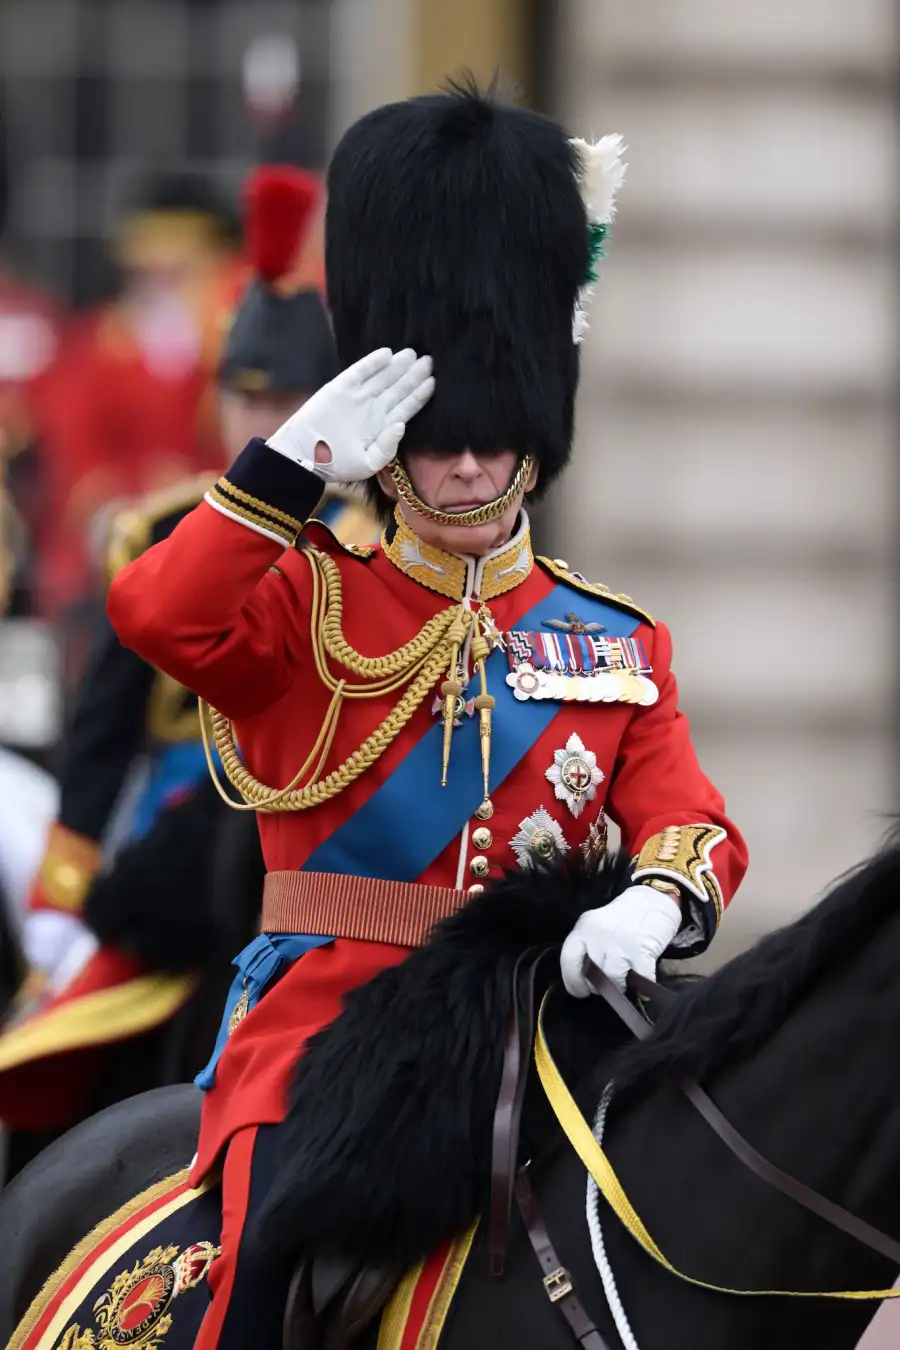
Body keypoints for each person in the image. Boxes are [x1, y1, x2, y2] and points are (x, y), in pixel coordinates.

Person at [107, 82, 748, 1346]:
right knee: (265, 1286)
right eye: (442, 435)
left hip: (547, 1029)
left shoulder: (615, 639)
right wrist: (286, 467)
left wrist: (653, 903)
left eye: (494, 434)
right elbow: (156, 617)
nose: (465, 461)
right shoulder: (306, 596)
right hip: (331, 1035)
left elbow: (692, 823)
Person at [0, 166, 380, 1140]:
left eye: (287, 398)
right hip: (176, 821)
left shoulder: (375, 544)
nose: (265, 421)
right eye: (245, 397)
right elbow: (102, 737)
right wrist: (62, 896)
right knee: (52, 1059)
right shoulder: (158, 530)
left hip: (331, 832)